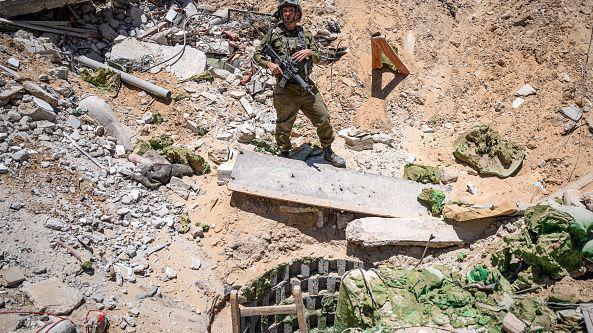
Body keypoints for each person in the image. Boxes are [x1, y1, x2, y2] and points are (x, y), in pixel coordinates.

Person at [253, 0, 346, 168]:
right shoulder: (274, 34)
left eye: (291, 10)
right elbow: (257, 54)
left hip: (305, 84)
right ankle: (284, 153)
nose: (287, 14)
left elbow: (319, 57)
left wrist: (309, 52)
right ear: (281, 13)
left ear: (297, 13)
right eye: (285, 11)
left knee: (323, 117)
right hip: (286, 88)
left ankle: (328, 151)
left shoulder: (305, 34)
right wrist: (270, 65)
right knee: (284, 124)